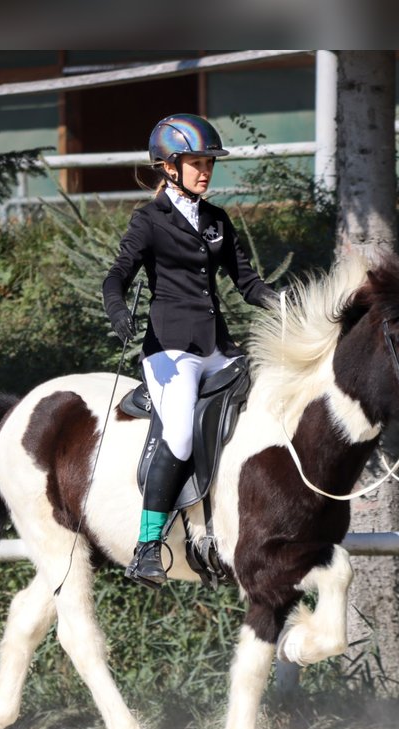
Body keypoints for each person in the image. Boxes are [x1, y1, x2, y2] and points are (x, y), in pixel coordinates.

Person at [103, 113, 281, 587]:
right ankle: (146, 546)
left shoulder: (216, 221)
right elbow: (116, 278)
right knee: (179, 435)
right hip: (170, 351)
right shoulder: (149, 221)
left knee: (268, 403)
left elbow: (247, 283)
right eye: (196, 163)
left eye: (209, 163)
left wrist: (287, 304)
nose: (206, 171)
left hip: (217, 345)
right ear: (167, 166)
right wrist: (119, 314)